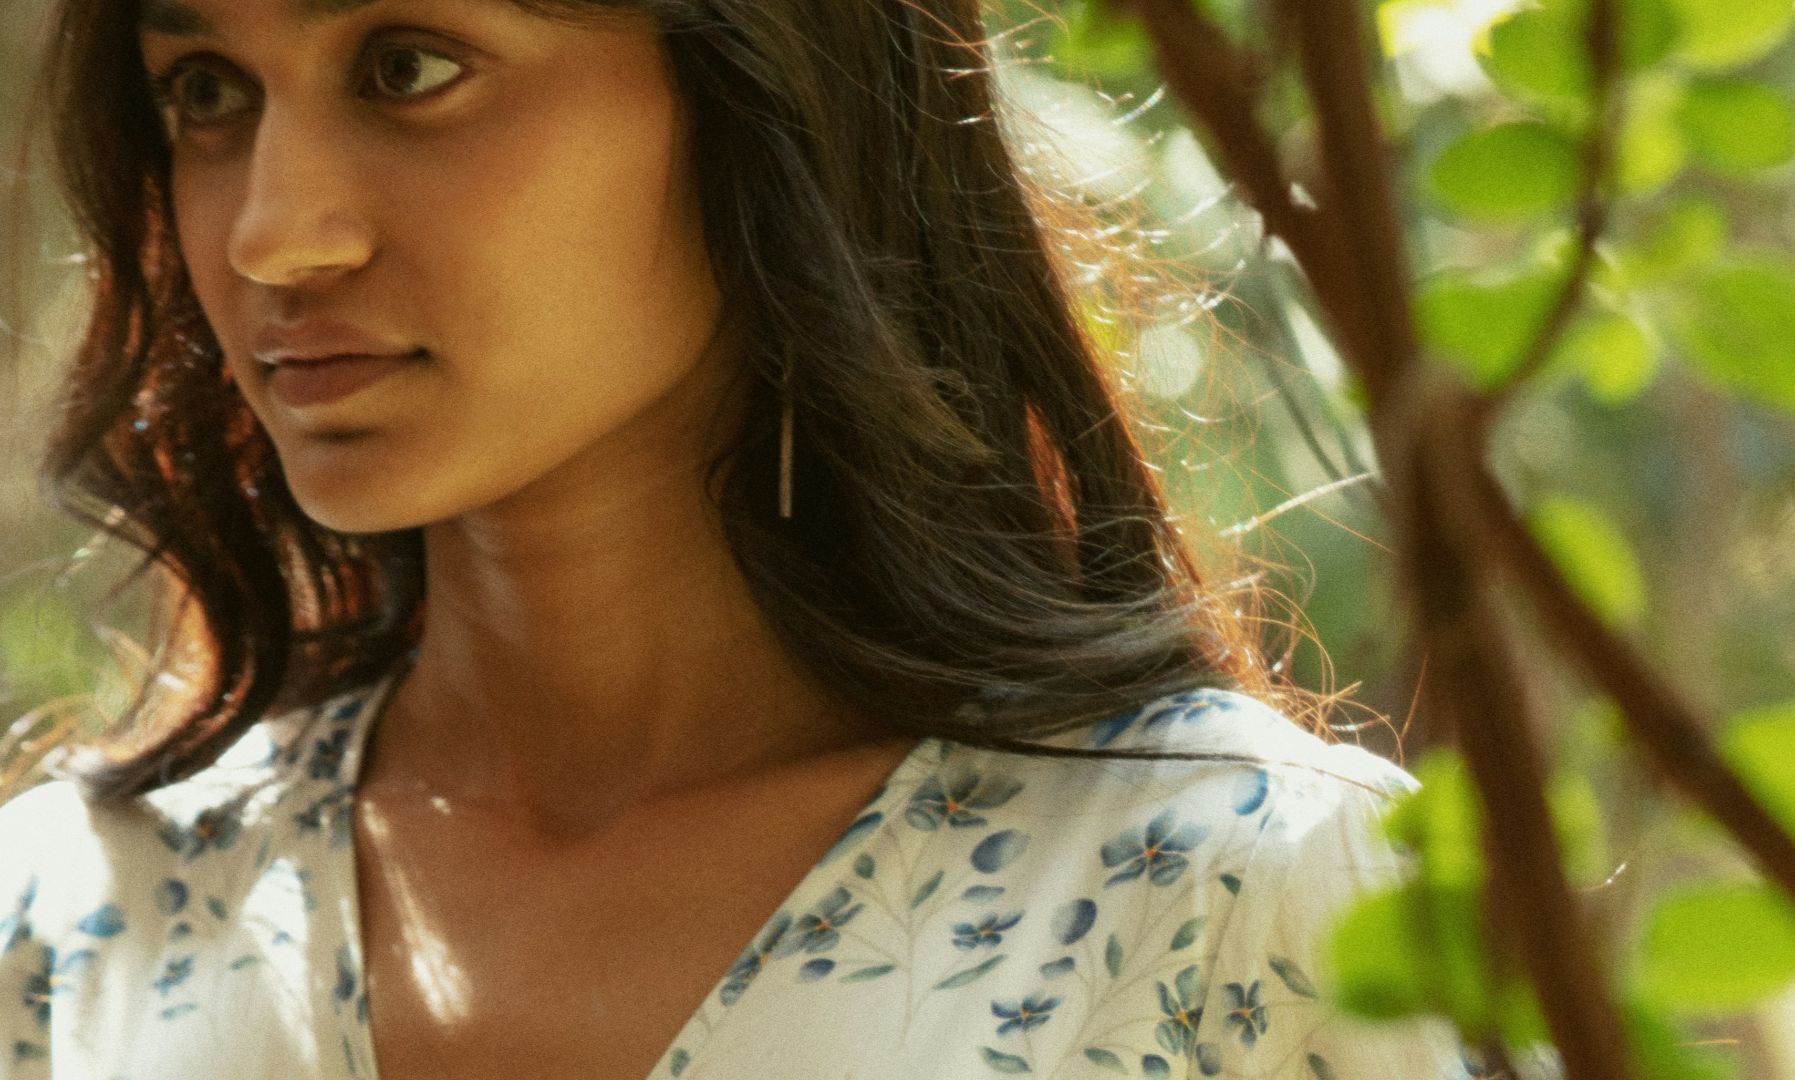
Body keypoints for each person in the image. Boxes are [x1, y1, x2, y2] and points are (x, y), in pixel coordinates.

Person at [0, 0, 1477, 1076]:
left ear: (768, 89)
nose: (273, 233)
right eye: (205, 91)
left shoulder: (1233, 891)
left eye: (408, 68)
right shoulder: (75, 920)